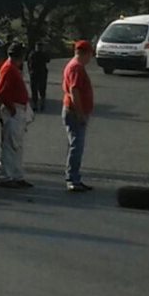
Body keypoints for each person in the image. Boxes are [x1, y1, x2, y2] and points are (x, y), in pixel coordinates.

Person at [0, 42, 32, 188]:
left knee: (16, 145)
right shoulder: (9, 69)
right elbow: (2, 91)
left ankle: (16, 175)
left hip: (16, 108)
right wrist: (11, 107)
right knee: (10, 145)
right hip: (13, 109)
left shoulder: (11, 68)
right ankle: (8, 176)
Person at [62, 41, 96, 191]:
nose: (91, 57)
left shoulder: (73, 65)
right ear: (85, 53)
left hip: (72, 110)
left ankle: (74, 177)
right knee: (77, 146)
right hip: (74, 112)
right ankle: (72, 178)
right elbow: (74, 90)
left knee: (74, 145)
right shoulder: (76, 68)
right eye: (90, 54)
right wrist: (80, 113)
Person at [28, 42, 50, 112]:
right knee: (39, 89)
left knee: (37, 89)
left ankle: (37, 104)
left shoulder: (33, 54)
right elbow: (48, 60)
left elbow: (29, 64)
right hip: (39, 73)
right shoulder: (36, 54)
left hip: (36, 73)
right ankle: (39, 103)